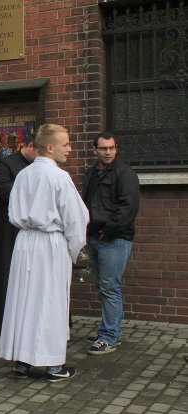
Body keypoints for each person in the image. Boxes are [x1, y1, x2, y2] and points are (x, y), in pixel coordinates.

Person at [0, 124, 89, 382]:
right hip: (50, 244)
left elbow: (12, 211)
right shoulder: (59, 177)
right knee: (50, 301)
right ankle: (52, 365)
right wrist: (76, 251)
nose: (69, 149)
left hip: (25, 242)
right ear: (50, 147)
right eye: (66, 144)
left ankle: (22, 362)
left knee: (24, 300)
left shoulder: (24, 176)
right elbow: (75, 219)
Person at [82, 132, 140, 355]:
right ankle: (108, 328)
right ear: (94, 149)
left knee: (110, 287)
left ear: (116, 149)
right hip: (95, 236)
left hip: (114, 238)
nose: (108, 152)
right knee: (103, 286)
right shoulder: (92, 172)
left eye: (112, 148)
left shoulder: (124, 173)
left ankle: (109, 337)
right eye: (103, 148)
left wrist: (110, 231)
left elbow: (129, 207)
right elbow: (87, 202)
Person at [0, 142, 37, 344]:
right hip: (9, 232)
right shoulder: (4, 164)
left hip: (32, 231)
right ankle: (0, 330)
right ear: (31, 146)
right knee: (5, 278)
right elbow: (6, 192)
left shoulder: (40, 165)